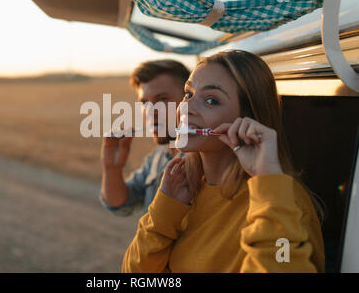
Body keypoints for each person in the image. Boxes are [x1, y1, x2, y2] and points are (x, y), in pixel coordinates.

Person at [122, 50, 325, 272]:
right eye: (188, 94)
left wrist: (268, 181)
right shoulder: (181, 188)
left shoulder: (283, 201)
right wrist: (164, 213)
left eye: (211, 100)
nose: (185, 108)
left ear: (248, 120)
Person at [100, 60, 190, 216]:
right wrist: (112, 168)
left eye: (162, 99)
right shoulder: (157, 157)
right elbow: (120, 205)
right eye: (144, 103)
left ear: (188, 100)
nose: (151, 111)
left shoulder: (205, 163)